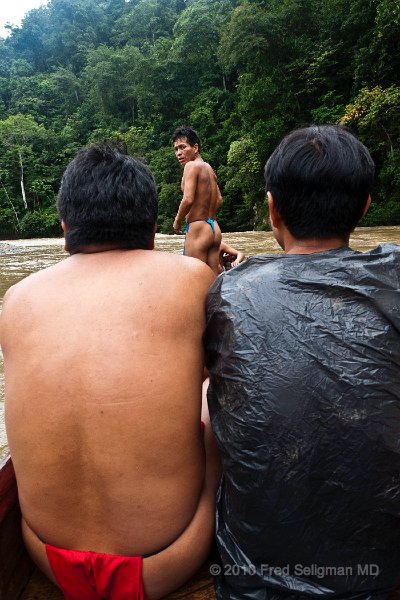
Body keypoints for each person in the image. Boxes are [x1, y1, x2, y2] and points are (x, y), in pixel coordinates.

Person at [0, 145, 220, 600]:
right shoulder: (192, 279)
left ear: (64, 232)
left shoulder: (16, 299)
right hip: (166, 560)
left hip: (47, 554)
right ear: (153, 231)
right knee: (214, 391)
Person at [204, 125, 400, 599]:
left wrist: (245, 272)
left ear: (272, 208)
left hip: (251, 579)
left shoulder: (230, 290)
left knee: (210, 394)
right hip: (384, 568)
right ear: (366, 206)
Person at [172, 126, 222, 274]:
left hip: (198, 227)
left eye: (183, 147)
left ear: (195, 147)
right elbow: (219, 199)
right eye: (176, 149)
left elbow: (188, 199)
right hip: (214, 228)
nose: (179, 153)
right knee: (214, 275)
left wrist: (178, 220)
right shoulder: (208, 168)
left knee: (193, 275)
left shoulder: (191, 166)